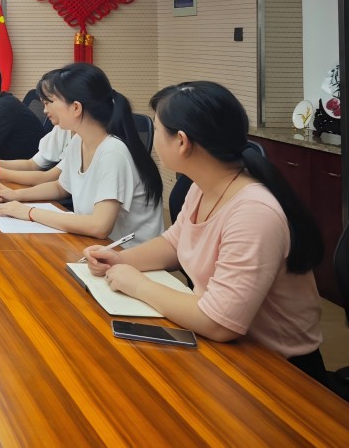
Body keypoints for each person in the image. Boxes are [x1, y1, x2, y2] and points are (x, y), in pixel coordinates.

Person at [83, 81, 327, 384]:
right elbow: (175, 243)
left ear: (182, 142)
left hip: (280, 373)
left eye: (157, 130)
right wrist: (120, 259)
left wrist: (137, 285)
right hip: (227, 354)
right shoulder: (203, 186)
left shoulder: (253, 212)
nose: (154, 140)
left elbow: (219, 322)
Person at [0, 63, 163, 244]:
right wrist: (15, 196)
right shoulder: (78, 141)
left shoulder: (113, 151)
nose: (45, 110)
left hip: (125, 254)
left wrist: (30, 213)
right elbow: (60, 187)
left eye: (50, 102)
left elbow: (100, 226)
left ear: (76, 107)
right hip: (94, 247)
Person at [0, 68, 70, 185]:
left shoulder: (3, 106)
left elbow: (51, 180)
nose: (45, 110)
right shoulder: (61, 129)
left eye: (48, 102)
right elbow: (32, 164)